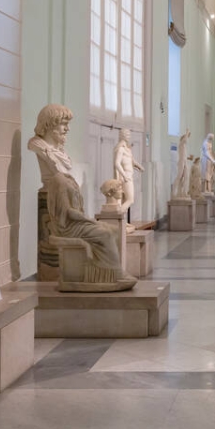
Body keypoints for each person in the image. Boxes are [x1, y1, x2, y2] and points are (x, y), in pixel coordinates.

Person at [28, 104, 135, 291]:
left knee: (110, 231)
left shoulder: (60, 157)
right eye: (63, 124)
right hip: (67, 224)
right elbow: (67, 211)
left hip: (72, 221)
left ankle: (108, 272)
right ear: (50, 124)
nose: (67, 129)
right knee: (103, 232)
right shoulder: (38, 147)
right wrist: (88, 220)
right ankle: (111, 273)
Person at [113, 128, 144, 223]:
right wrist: (124, 175)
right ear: (123, 136)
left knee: (124, 201)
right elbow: (117, 163)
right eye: (127, 135)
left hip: (129, 176)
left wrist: (139, 166)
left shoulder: (127, 149)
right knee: (130, 200)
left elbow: (132, 161)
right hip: (125, 177)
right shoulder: (121, 149)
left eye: (129, 135)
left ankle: (123, 223)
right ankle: (116, 218)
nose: (129, 136)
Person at [173, 130, 191, 198]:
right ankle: (174, 192)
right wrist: (187, 132)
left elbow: (184, 155)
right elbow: (185, 140)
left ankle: (184, 192)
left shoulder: (184, 146)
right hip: (181, 162)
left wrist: (189, 157)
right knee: (179, 176)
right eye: (186, 138)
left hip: (185, 161)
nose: (187, 140)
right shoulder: (181, 144)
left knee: (186, 177)